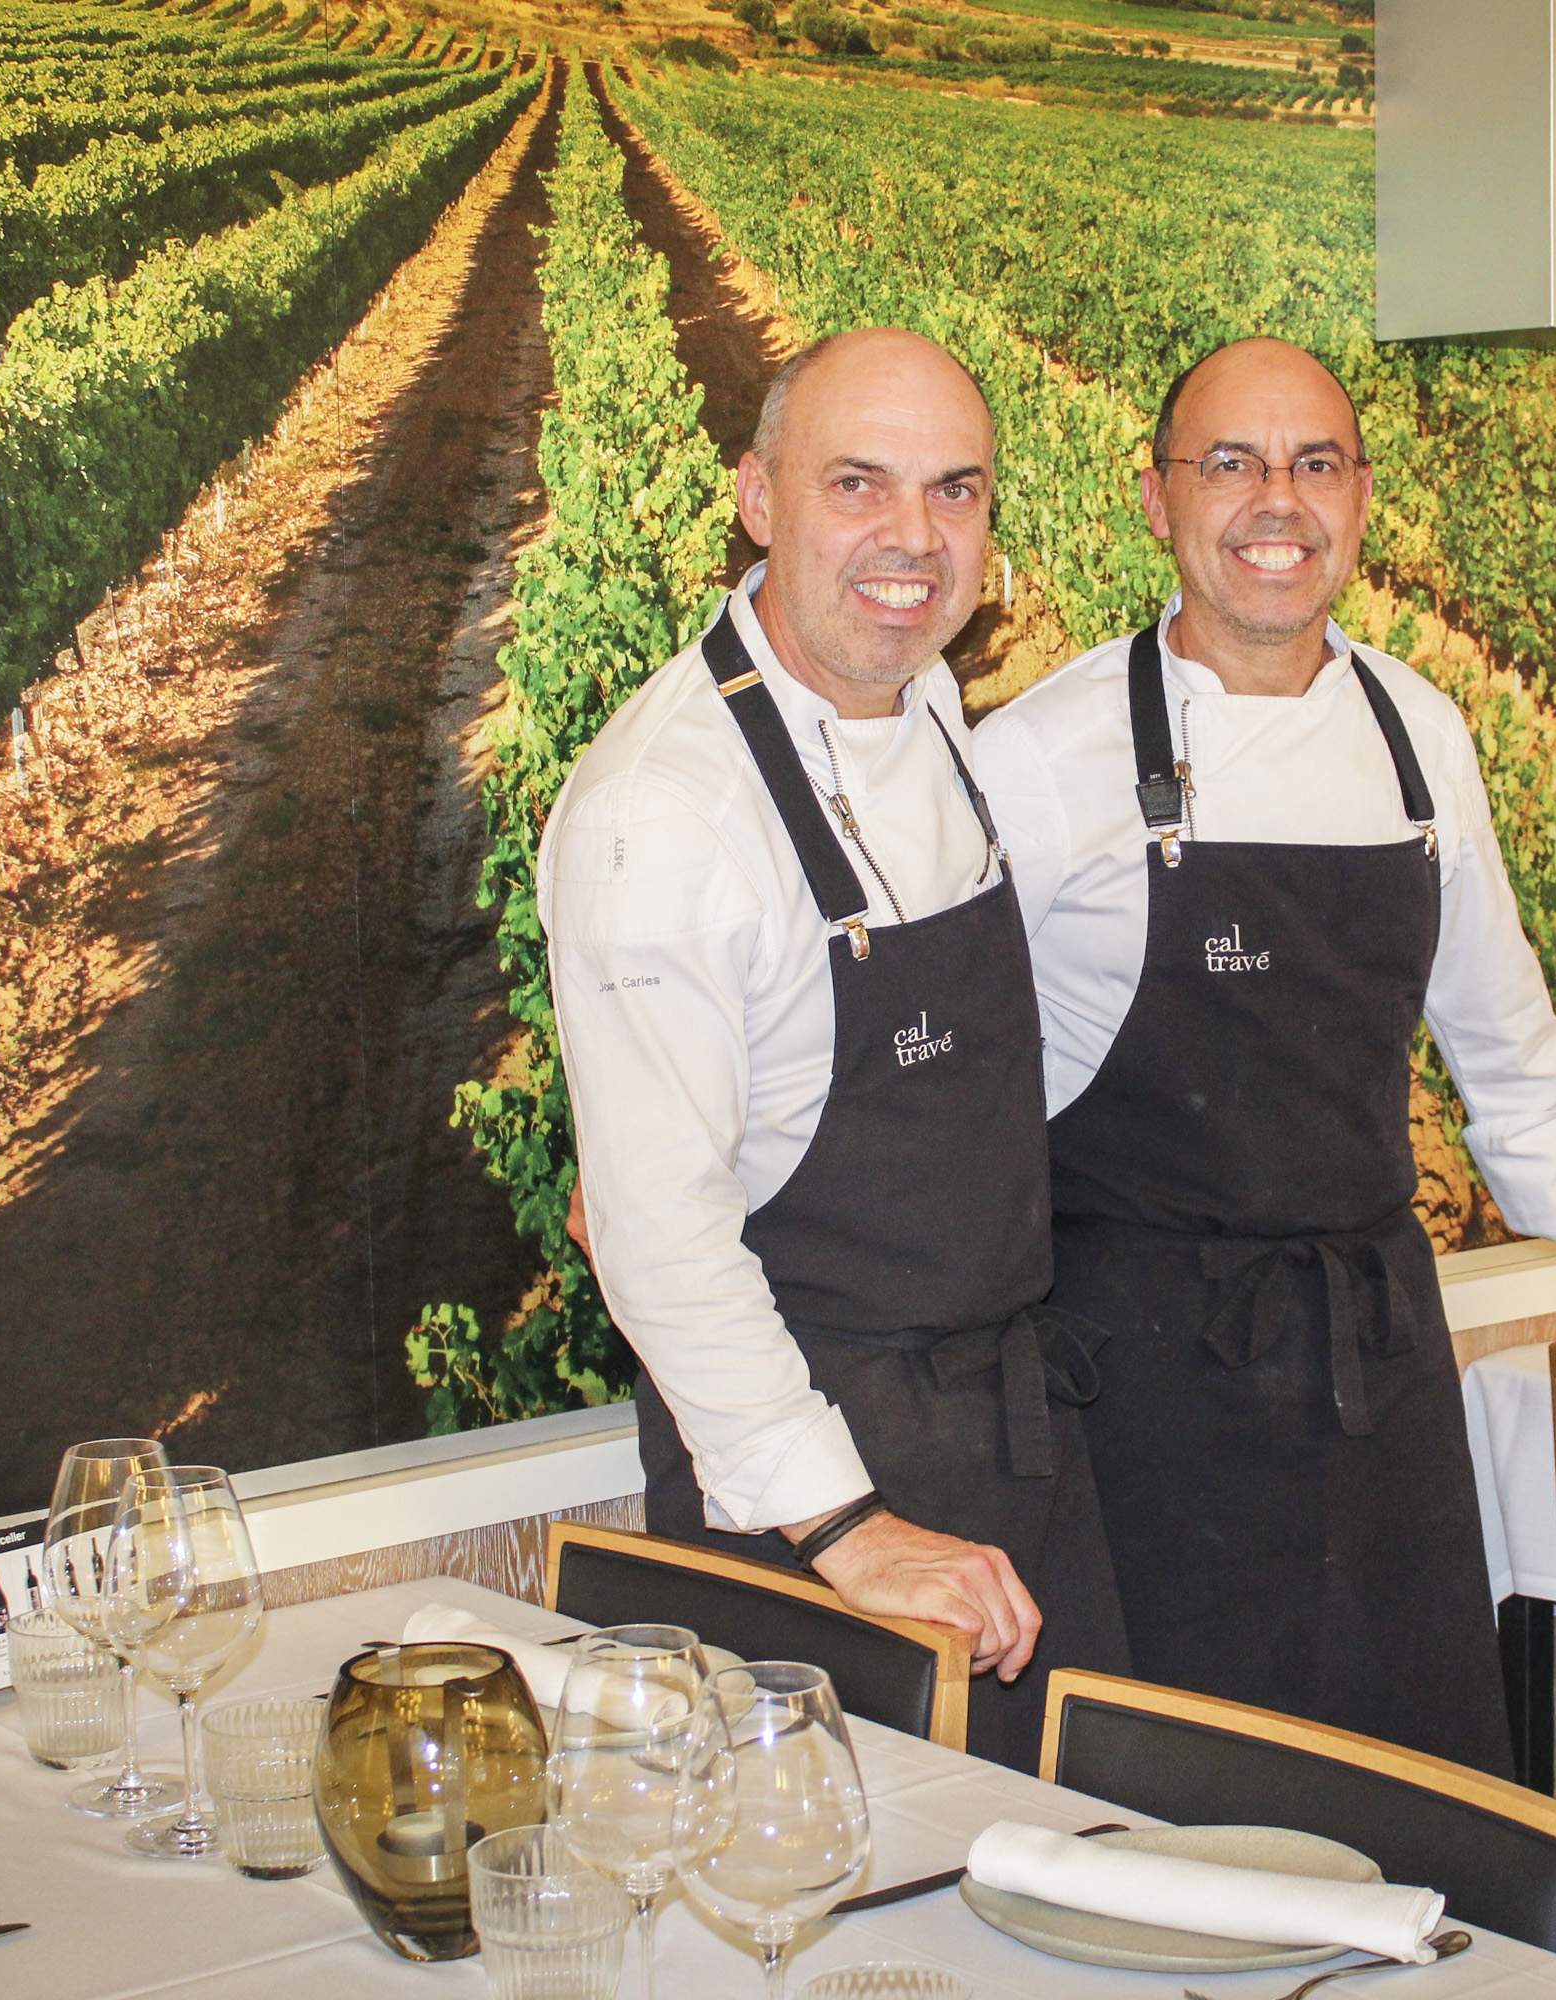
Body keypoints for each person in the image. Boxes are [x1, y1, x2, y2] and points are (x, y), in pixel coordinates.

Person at [969, 336, 1556, 1772]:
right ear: (1157, 498)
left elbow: (1500, 1023)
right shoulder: (1046, 757)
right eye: (1230, 463)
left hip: (1374, 1355)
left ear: (1362, 499)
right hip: (1141, 1378)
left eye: (1315, 463)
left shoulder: (1417, 736)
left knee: (1406, 1781)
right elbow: (923, 1060)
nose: (1278, 501)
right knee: (1179, 1794)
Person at [536, 328, 1127, 1770]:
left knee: (1067, 1862)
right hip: (807, 1490)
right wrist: (852, 1532)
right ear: (758, 497)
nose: (913, 538)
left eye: (955, 490)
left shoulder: (923, 705)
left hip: (1004, 1437)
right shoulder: (662, 814)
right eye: (858, 483)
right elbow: (657, 1238)